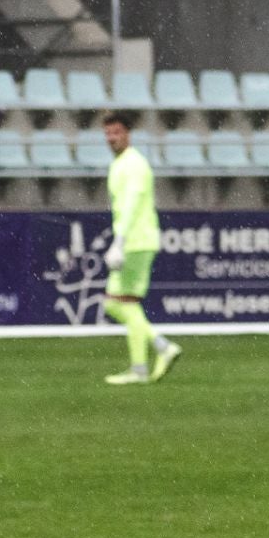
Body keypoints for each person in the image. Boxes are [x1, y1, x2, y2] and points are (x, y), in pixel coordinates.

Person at [99, 111, 180, 386]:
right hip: (138, 240)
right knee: (127, 304)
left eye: (116, 132)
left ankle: (161, 347)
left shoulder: (133, 165)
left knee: (114, 303)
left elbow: (132, 205)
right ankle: (141, 367)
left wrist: (119, 243)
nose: (112, 138)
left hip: (135, 241)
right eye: (108, 133)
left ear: (127, 134)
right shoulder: (123, 163)